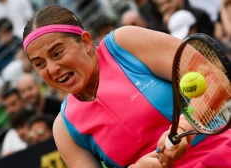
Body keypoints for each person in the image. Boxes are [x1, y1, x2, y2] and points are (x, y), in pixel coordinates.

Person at [22, 5, 231, 168]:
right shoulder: (64, 129)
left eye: (57, 53)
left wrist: (185, 128)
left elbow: (216, 81)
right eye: (39, 64)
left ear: (85, 42)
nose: (52, 68)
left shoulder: (125, 43)